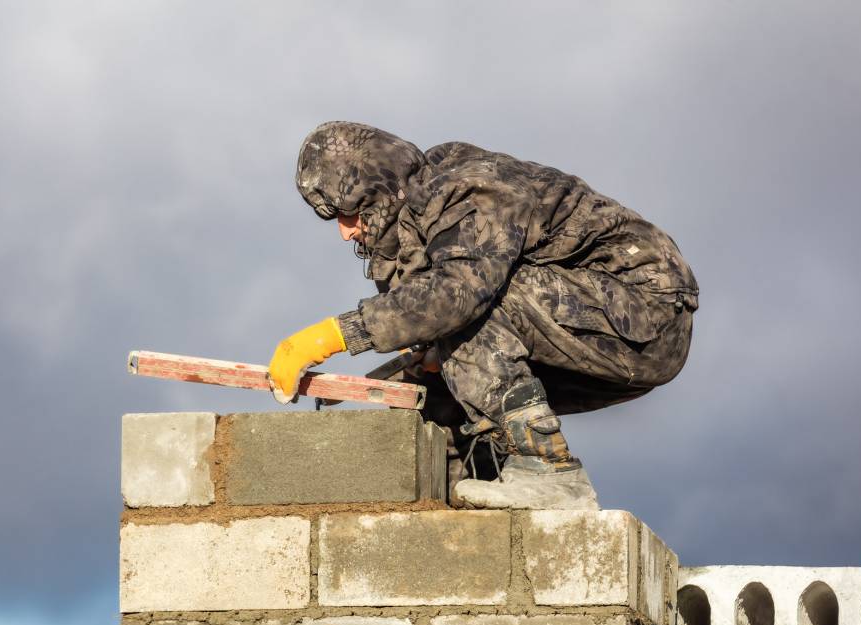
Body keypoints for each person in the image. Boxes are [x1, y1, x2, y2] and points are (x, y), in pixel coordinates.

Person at [267, 121, 698, 506]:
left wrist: (332, 336)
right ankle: (468, 496)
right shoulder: (419, 227)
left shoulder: (464, 188)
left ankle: (547, 471)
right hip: (595, 323)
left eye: (349, 213)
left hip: (645, 310)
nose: (346, 231)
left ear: (380, 191)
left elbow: (457, 291)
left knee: (457, 310)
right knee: (435, 381)